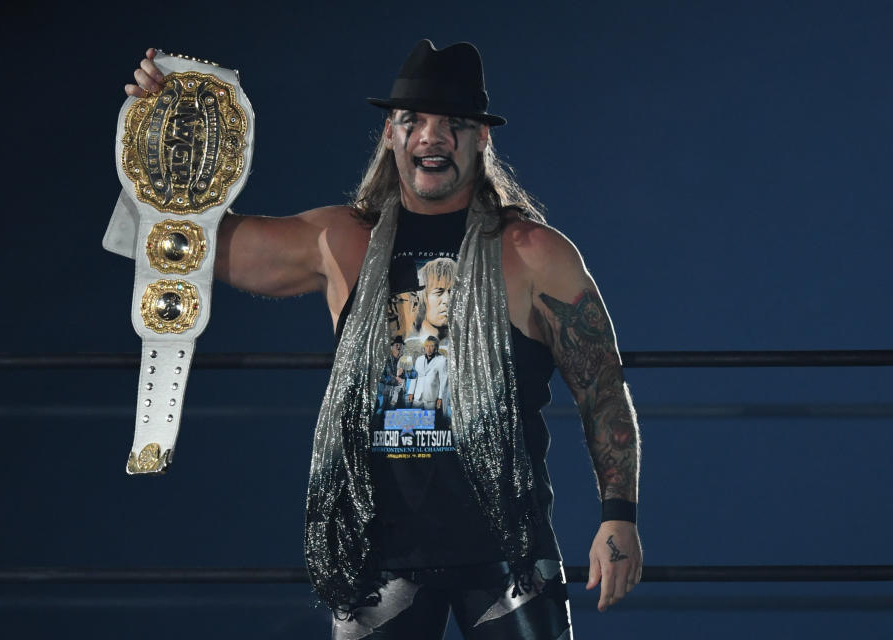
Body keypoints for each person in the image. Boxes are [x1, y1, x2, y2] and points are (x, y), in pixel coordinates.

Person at [127, 39, 642, 639]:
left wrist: (619, 518)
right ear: (391, 136)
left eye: (454, 123)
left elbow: (602, 390)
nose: (433, 136)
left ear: (481, 140)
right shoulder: (341, 240)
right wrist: (160, 130)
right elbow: (186, 241)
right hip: (378, 549)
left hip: (507, 544)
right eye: (413, 121)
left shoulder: (533, 254)